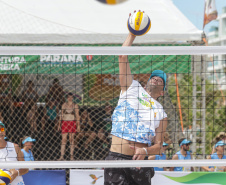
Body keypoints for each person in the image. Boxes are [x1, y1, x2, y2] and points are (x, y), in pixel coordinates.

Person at [104, 32, 168, 185]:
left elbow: (159, 147)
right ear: (146, 84)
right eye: (154, 76)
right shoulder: (132, 88)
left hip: (140, 163)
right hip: (116, 159)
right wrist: (132, 34)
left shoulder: (161, 112)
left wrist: (145, 151)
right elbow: (122, 56)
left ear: (162, 92)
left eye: (161, 79)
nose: (157, 77)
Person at [58, 93, 80, 161]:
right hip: (64, 123)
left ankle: (71, 156)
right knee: (63, 140)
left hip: (72, 123)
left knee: (71, 140)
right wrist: (59, 124)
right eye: (68, 97)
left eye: (71, 97)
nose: (70, 99)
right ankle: (62, 156)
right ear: (67, 98)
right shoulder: (64, 105)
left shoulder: (75, 105)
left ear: (73, 98)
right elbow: (61, 115)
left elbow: (77, 116)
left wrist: (78, 126)